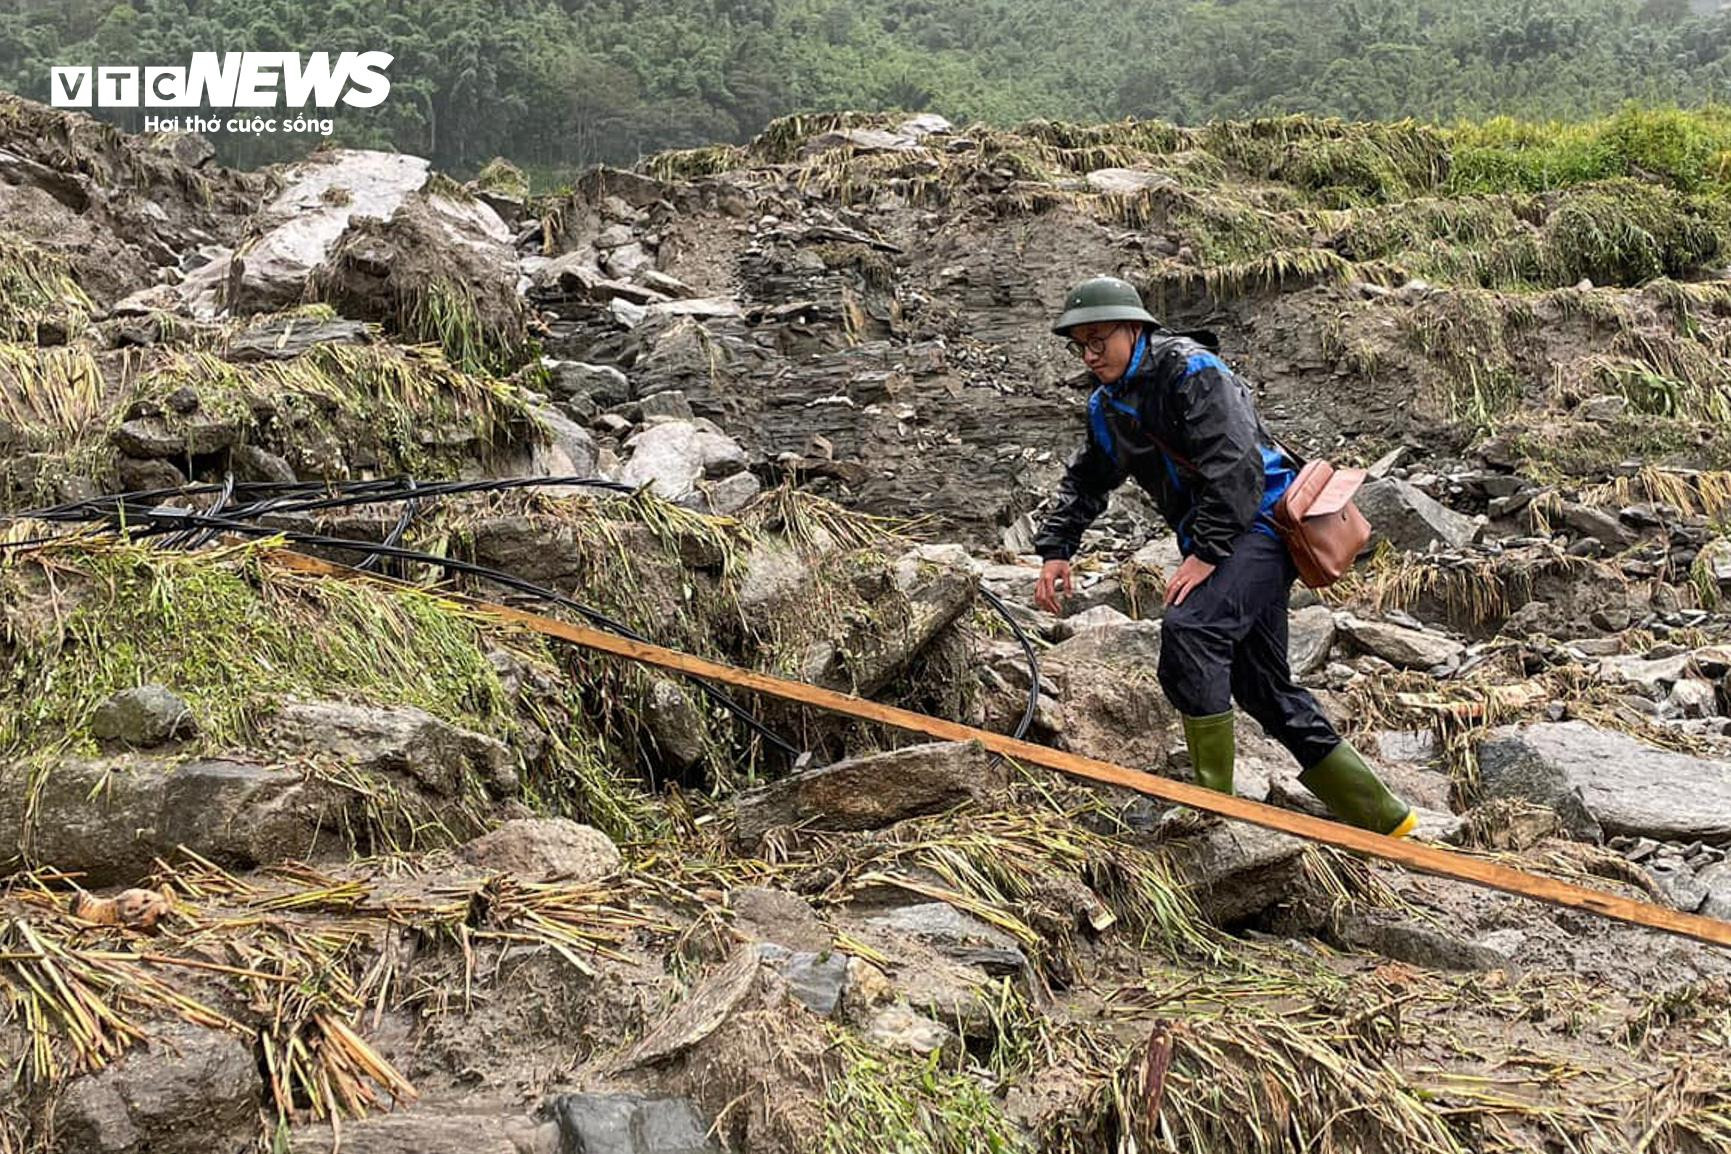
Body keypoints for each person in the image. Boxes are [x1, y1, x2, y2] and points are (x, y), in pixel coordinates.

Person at [1031, 275, 1415, 837]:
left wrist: (1206, 553)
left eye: (1098, 341)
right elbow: (1089, 478)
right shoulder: (1107, 406)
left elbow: (1237, 465)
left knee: (1193, 628)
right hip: (1221, 535)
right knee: (1262, 684)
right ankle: (1386, 819)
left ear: (1135, 330)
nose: (1089, 355)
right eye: (1079, 345)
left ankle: (1213, 805)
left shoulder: (1194, 371)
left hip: (1262, 523)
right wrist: (1056, 549)